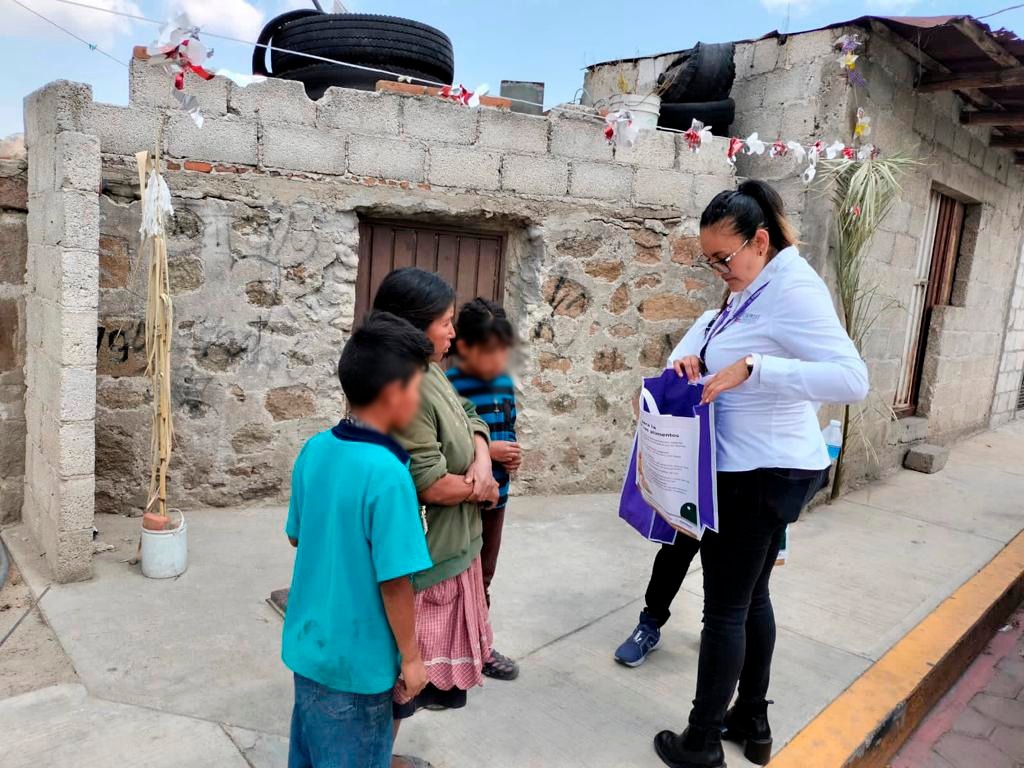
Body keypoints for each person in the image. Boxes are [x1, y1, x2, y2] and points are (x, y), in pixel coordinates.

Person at [650, 180, 869, 768]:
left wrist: (757, 367)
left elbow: (852, 379)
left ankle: (701, 744)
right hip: (759, 467)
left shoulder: (793, 289)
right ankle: (751, 719)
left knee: (725, 609)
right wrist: (694, 356)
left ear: (761, 241)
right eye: (709, 260)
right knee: (752, 599)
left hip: (758, 472)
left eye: (724, 257)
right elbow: (718, 341)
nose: (719, 270)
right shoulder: (753, 287)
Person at [281, 311, 435, 768]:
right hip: (359, 667)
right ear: (393, 393)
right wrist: (412, 658)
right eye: (418, 387)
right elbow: (395, 582)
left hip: (309, 651)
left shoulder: (314, 449)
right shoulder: (389, 474)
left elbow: (297, 537)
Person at [371, 269, 500, 761]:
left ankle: (377, 757)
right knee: (399, 682)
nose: (453, 332)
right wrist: (479, 487)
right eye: (445, 322)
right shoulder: (407, 386)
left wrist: (481, 460)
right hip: (426, 563)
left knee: (407, 687)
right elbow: (430, 483)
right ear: (413, 325)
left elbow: (469, 414)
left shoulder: (431, 371)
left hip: (452, 549)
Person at [447, 297, 521, 681]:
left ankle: (479, 647)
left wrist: (512, 456)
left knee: (484, 576)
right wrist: (489, 450)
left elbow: (509, 428)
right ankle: (450, 651)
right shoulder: (451, 387)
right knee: (457, 576)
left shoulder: (504, 385)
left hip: (497, 498)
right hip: (464, 500)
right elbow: (445, 447)